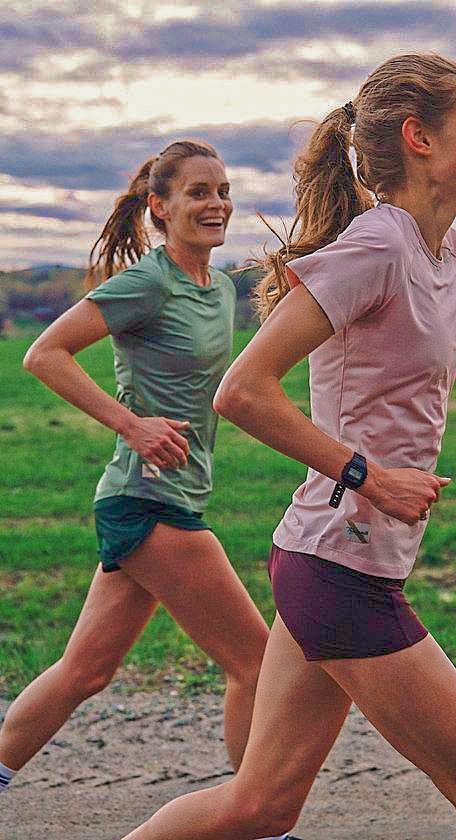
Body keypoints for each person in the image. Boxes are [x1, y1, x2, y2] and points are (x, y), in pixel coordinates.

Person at [119, 54, 456, 840]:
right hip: (338, 568)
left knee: (258, 805)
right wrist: (371, 477)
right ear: (419, 138)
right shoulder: (374, 248)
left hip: (331, 560)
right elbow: (243, 390)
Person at [0, 139, 300, 840]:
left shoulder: (220, 287)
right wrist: (130, 423)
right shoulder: (149, 282)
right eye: (198, 192)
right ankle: (255, 823)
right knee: (255, 664)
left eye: (223, 191)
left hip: (173, 496)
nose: (216, 204)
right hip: (147, 499)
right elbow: (43, 354)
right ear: (160, 208)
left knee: (85, 671)